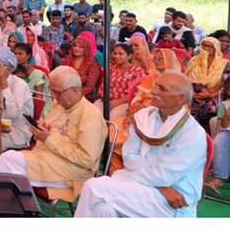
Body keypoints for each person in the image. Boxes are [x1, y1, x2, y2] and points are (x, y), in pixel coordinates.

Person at [75, 72, 206, 217]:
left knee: (93, 186)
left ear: (181, 98)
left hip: (173, 201)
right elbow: (130, 158)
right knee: (104, 209)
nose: (153, 91)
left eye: (162, 89)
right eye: (156, 86)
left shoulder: (192, 133)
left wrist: (161, 185)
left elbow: (165, 175)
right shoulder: (144, 118)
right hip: (152, 187)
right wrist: (163, 187)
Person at [0, 66, 107, 203]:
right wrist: (43, 129)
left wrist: (48, 138)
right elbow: (54, 132)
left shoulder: (90, 115)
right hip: (47, 156)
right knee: (7, 166)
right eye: (52, 92)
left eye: (58, 93)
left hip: (74, 170)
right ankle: (1, 207)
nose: (54, 97)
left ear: (75, 90)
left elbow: (86, 158)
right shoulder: (59, 104)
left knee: (7, 160)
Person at [185, 37, 230, 130]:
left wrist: (210, 95)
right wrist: (193, 94)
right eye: (204, 45)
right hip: (193, 94)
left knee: (210, 109)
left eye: (210, 46)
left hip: (214, 95)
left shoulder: (224, 64)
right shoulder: (194, 60)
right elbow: (186, 79)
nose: (206, 48)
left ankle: (207, 137)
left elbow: (226, 87)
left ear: (216, 48)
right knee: (187, 109)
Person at [95, 43, 146, 118]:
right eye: (115, 53)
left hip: (125, 102)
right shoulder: (110, 68)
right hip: (106, 100)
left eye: (120, 54)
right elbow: (103, 86)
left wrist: (118, 102)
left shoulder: (137, 71)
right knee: (94, 115)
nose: (116, 56)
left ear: (129, 56)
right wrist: (104, 98)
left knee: (112, 118)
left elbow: (138, 93)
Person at [206, 77, 230, 194]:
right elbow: (223, 126)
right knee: (219, 141)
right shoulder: (224, 105)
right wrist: (226, 115)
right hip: (228, 132)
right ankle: (219, 178)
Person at [63, 33, 102, 102]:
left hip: (84, 96)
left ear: (86, 49)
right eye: (75, 46)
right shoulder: (67, 61)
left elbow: (90, 87)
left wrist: (73, 95)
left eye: (80, 47)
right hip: (64, 93)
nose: (76, 49)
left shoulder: (93, 64)